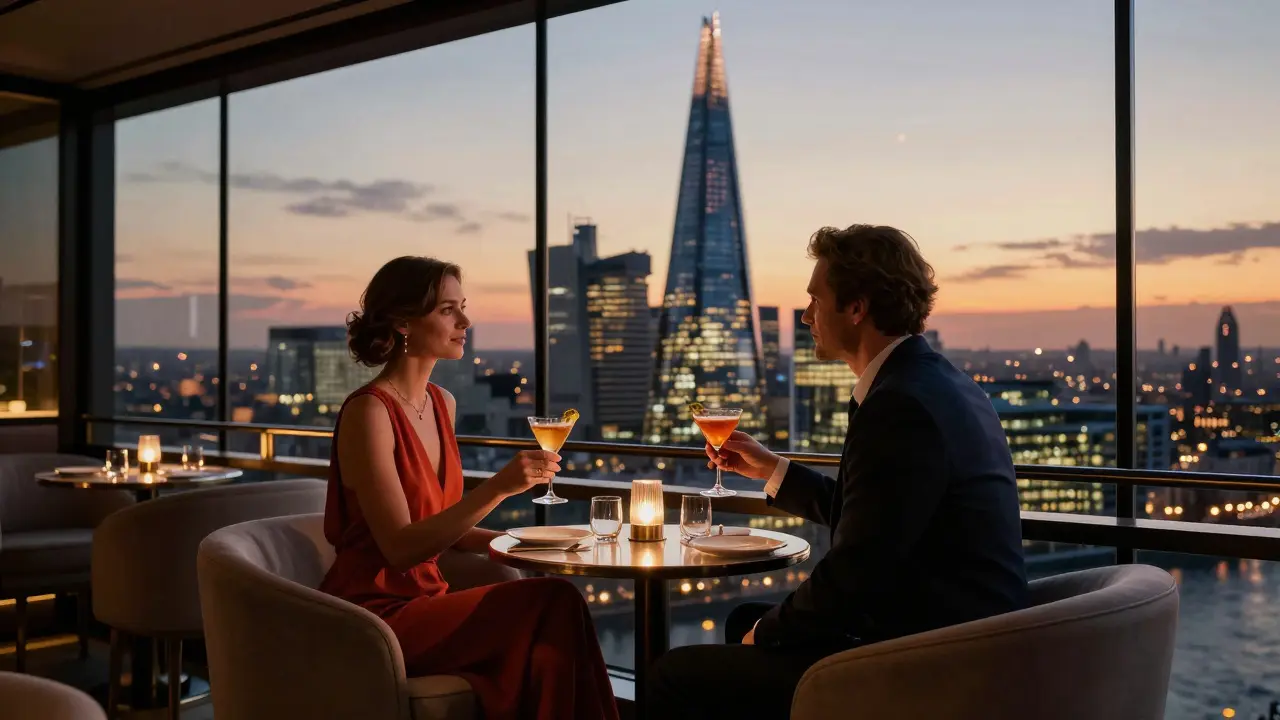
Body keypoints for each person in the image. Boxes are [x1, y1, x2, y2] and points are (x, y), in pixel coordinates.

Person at [650, 225, 1028, 719]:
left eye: (814, 300)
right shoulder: (938, 383)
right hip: (961, 632)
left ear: (857, 307)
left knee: (672, 677)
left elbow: (856, 571)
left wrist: (766, 633)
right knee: (747, 618)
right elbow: (881, 519)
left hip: (931, 657)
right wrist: (773, 469)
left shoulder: (899, 404)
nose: (806, 315)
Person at [319, 256, 619, 720]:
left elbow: (446, 530)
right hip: (375, 614)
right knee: (555, 601)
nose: (466, 321)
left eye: (463, 306)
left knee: (548, 645)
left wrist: (528, 544)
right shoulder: (370, 413)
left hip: (430, 601)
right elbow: (400, 548)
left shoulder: (442, 403)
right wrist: (499, 487)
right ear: (403, 322)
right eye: (447, 310)